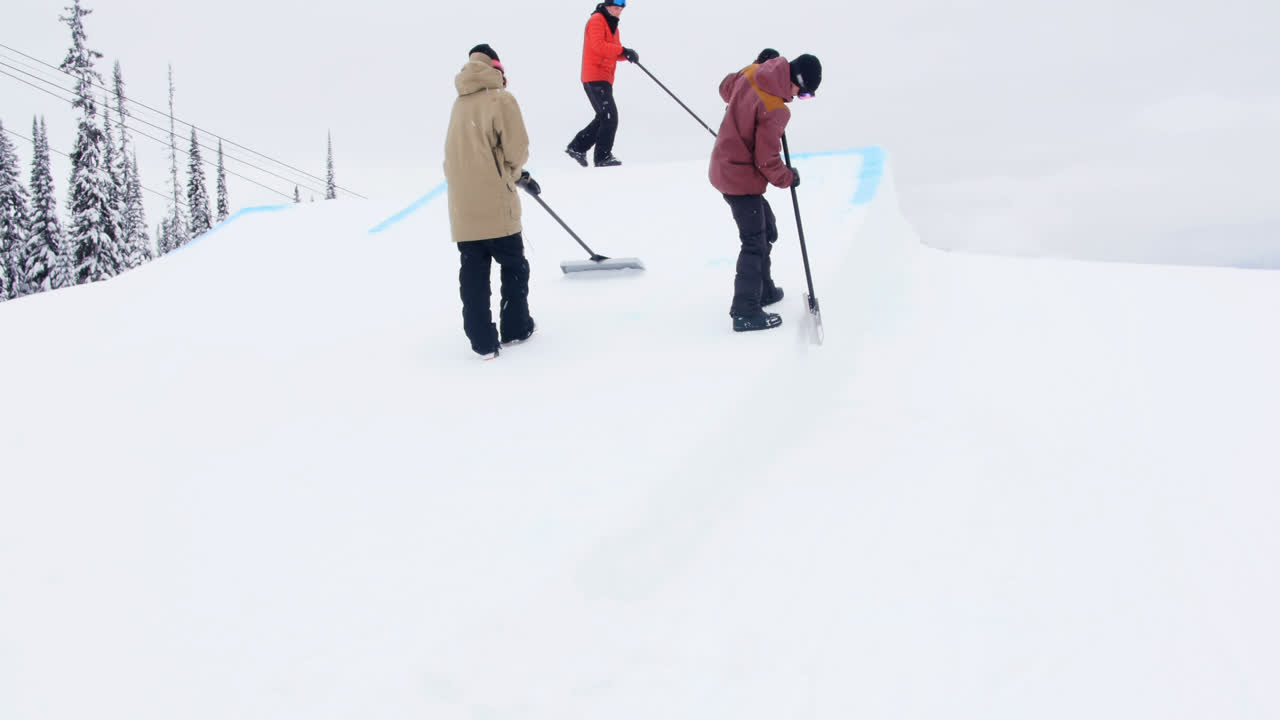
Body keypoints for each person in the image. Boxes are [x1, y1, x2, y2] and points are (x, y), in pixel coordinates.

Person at [709, 52, 822, 332]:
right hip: (739, 176)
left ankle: (764, 290)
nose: (798, 98)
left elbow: (726, 88)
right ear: (796, 80)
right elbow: (767, 160)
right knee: (754, 242)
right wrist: (789, 177)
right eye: (804, 93)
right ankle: (745, 311)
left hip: (725, 166)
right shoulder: (776, 108)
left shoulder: (753, 71)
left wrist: (754, 72)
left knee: (766, 228)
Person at [444, 44, 541, 359]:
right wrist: (513, 173)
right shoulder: (501, 99)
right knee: (513, 265)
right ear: (497, 69)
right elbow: (517, 149)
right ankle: (515, 328)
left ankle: (483, 341)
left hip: (463, 207)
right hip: (497, 203)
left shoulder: (459, 104)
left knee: (473, 272)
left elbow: (459, 155)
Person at [565, 0, 639, 168]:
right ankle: (602, 157)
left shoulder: (613, 26)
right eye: (615, 7)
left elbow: (613, 50)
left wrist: (626, 55)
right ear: (607, 5)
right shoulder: (597, 20)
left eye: (621, 8)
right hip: (594, 76)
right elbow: (599, 46)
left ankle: (577, 147)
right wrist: (622, 51)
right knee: (609, 116)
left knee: (604, 117)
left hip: (604, 77)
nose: (619, 11)